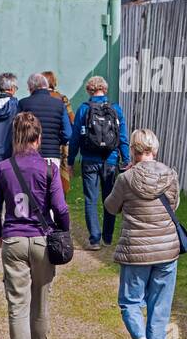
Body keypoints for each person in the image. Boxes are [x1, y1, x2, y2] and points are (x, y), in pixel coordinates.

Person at [0, 112, 69, 339]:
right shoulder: (49, 168)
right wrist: (63, 230)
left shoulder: (3, 167)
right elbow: (60, 208)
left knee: (17, 304)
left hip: (13, 238)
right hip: (41, 239)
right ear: (39, 138)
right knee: (41, 299)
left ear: (16, 137)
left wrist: (0, 235)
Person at [104, 128, 181, 339]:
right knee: (160, 304)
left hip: (136, 250)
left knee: (130, 302)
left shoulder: (126, 179)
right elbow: (174, 205)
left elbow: (111, 207)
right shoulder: (170, 175)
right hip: (167, 249)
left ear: (134, 152)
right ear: (154, 150)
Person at [68, 75, 130, 251]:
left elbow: (75, 139)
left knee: (90, 199)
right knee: (109, 198)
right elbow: (123, 138)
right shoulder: (115, 109)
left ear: (89, 90)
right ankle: (108, 237)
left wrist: (70, 161)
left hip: (89, 160)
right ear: (105, 89)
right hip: (110, 160)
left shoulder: (83, 109)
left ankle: (94, 239)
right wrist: (126, 160)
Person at [17, 73, 72, 177]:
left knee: (29, 189)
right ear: (46, 86)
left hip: (27, 154)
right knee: (51, 190)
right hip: (52, 155)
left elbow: (16, 130)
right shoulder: (59, 104)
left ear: (30, 87)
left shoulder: (23, 104)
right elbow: (68, 133)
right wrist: (57, 142)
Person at [43, 70, 73, 193]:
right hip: (59, 142)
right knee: (60, 173)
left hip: (42, 142)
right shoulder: (62, 98)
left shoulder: (38, 98)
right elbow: (71, 120)